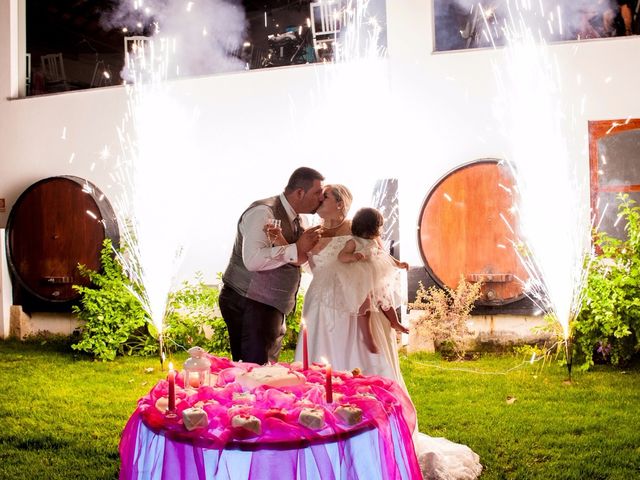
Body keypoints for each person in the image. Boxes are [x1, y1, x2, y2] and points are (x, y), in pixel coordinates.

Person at [293, 185, 482, 480]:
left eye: (325, 196)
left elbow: (379, 273)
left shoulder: (359, 232)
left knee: (362, 369)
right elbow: (296, 260)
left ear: (341, 203)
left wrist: (388, 314)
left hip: (355, 309)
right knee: (320, 371)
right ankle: (321, 441)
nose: (319, 200)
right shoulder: (311, 233)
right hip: (319, 310)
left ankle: (371, 441)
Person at [219, 166, 324, 365]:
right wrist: (296, 247)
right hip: (250, 302)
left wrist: (299, 249)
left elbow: (297, 259)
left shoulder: (299, 219)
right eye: (317, 192)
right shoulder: (263, 212)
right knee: (253, 371)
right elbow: (253, 260)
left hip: (270, 306)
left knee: (265, 369)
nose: (320, 198)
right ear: (300, 192)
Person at [336, 207, 409, 354]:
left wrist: (399, 264)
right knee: (366, 303)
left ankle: (395, 322)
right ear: (371, 226)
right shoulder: (353, 242)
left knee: (386, 300)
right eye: (378, 226)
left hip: (375, 274)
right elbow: (341, 256)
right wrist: (352, 257)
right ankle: (367, 336)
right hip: (360, 277)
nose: (380, 229)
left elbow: (385, 256)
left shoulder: (373, 242)